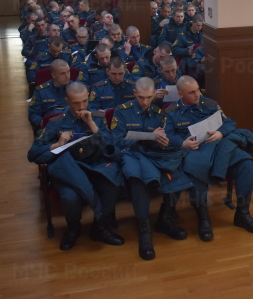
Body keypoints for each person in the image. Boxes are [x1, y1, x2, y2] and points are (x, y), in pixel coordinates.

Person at [164, 76, 253, 241]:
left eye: (198, 90)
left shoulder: (210, 104)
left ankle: (242, 214)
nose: (197, 95)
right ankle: (203, 218)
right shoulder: (171, 112)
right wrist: (183, 143)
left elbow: (230, 123)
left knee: (246, 163)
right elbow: (167, 136)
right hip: (194, 152)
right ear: (181, 94)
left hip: (219, 147)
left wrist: (221, 132)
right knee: (195, 171)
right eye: (192, 92)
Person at [27, 82, 124, 250]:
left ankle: (100, 227)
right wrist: (57, 144)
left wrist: (92, 125)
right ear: (67, 101)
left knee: (111, 185)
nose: (81, 107)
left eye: (85, 101)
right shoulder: (57, 122)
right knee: (69, 197)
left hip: (95, 166)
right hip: (70, 170)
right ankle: (73, 227)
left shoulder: (97, 118)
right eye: (76, 103)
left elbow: (111, 146)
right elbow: (33, 153)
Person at [110, 77, 193, 260]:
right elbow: (116, 141)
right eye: (141, 97)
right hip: (130, 154)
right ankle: (144, 230)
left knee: (175, 169)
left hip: (154, 155)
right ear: (134, 94)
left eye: (149, 97)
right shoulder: (121, 112)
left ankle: (165, 218)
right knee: (137, 178)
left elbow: (163, 139)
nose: (145, 102)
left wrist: (163, 141)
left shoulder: (159, 113)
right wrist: (148, 136)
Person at [28, 59, 74, 132]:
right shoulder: (41, 91)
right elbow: (33, 113)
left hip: (73, 127)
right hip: (50, 129)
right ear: (53, 75)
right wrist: (42, 123)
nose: (67, 76)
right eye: (62, 73)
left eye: (68, 72)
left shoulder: (76, 88)